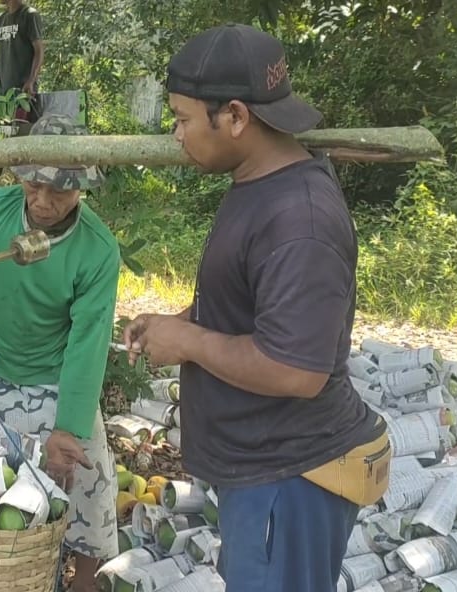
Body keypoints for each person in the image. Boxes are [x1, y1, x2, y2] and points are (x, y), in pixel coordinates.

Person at [121, 23, 391, 591]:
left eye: (183, 118)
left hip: (290, 479)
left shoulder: (300, 220)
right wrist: (184, 322)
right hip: (263, 474)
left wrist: (190, 343)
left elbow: (296, 369)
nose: (175, 134)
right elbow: (253, 300)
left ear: (237, 117)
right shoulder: (259, 182)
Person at [0, 113, 120, 591]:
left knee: (87, 480)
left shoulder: (97, 250)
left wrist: (67, 429)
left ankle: (85, 579)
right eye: (34, 185)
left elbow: (87, 346)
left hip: (55, 376)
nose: (44, 201)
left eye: (60, 191)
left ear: (83, 188)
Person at [0, 0, 45, 125]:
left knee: (20, 132)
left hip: (22, 92)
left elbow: (39, 51)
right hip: (3, 91)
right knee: (4, 134)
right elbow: (1, 53)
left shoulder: (29, 15)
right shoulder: (1, 19)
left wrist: (31, 80)